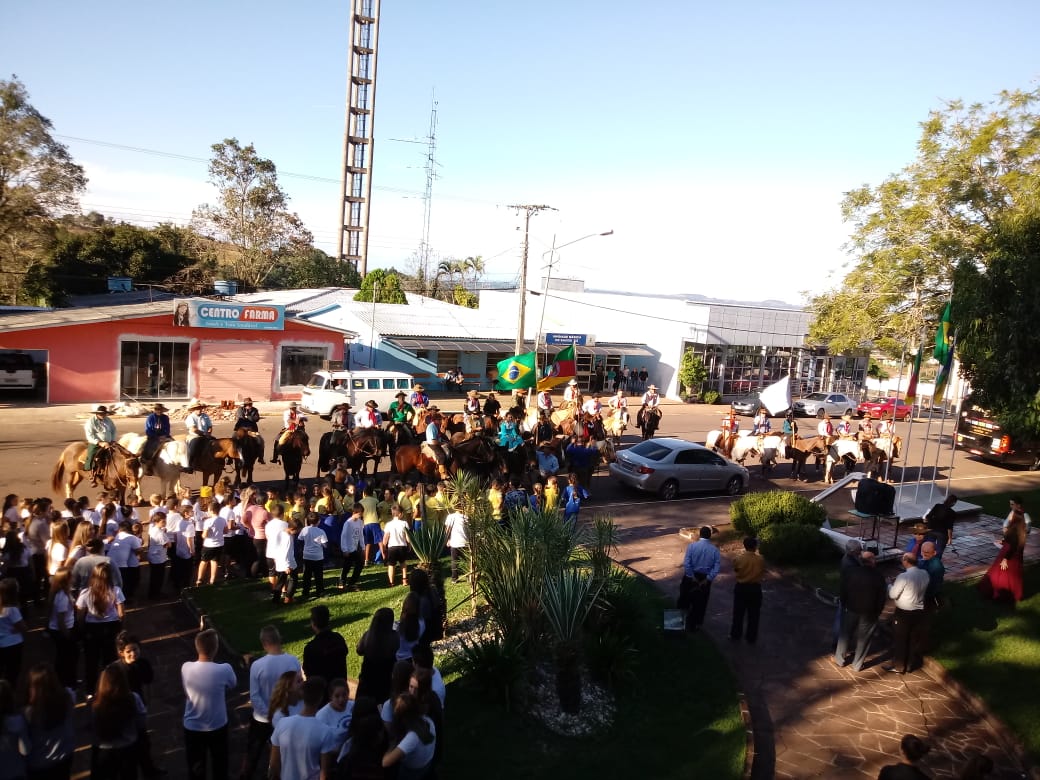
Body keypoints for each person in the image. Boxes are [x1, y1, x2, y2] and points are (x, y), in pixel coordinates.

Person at [241, 625, 301, 780]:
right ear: (279, 640)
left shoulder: (257, 665)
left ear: (264, 643)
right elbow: (298, 689)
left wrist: (270, 714)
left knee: (253, 755)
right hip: (287, 717)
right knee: (285, 756)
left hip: (262, 718)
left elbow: (254, 696)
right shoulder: (293, 661)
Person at [181, 628, 237, 780]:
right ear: (216, 648)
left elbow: (186, 691)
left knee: (196, 768)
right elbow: (233, 684)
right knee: (220, 765)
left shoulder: (185, 667)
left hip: (192, 726)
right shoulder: (225, 669)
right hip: (218, 724)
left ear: (197, 647)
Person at [269, 677, 339, 780]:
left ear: (303, 695)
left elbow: (274, 764)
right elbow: (324, 774)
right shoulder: (325, 732)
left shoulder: (282, 723)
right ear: (320, 698)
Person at [76, 561, 126, 695]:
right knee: (109, 659)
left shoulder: (85, 593)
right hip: (111, 627)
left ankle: (91, 691)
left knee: (91, 660)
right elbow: (121, 613)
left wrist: (82, 628)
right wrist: (120, 625)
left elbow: (80, 614)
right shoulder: (116, 591)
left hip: (92, 629)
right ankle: (110, 687)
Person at [833, 550, 887, 671]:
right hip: (870, 612)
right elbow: (882, 597)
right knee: (864, 638)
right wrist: (878, 611)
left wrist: (845, 603)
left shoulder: (851, 572)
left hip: (851, 608)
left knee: (845, 634)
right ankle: (857, 664)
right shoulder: (878, 576)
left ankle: (839, 659)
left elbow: (843, 590)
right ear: (872, 561)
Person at [90, 664, 145, 779]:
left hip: (103, 750)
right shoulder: (133, 698)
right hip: (128, 748)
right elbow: (141, 722)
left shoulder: (95, 703)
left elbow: (90, 725)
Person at [24, 663, 77, 779]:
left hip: (40, 764)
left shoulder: (29, 713)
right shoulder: (69, 697)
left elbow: (25, 745)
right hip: (64, 757)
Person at [885, 552, 929, 674]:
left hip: (903, 612)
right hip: (918, 611)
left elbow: (893, 594)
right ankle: (909, 664)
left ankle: (899, 666)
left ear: (906, 561)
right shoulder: (925, 574)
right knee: (912, 639)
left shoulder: (903, 577)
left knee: (900, 639)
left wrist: (889, 585)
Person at [978, 507, 1027, 602]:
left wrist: (1005, 559)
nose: (1010, 516)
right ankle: (1012, 593)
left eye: (1012, 515)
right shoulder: (1020, 528)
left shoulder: (1013, 530)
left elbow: (1013, 546)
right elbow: (1014, 541)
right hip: (1013, 554)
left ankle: (999, 594)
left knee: (1001, 575)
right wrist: (1004, 541)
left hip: (1008, 554)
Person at [382, 692, 436, 778]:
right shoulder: (427, 720)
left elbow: (385, 762)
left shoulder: (412, 738)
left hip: (412, 771)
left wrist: (392, 744)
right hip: (427, 763)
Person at [679, 526, 720, 632]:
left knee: (684, 599)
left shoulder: (692, 546)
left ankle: (678, 624)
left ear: (700, 535)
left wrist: (691, 576)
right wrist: (709, 578)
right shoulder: (714, 550)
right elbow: (716, 567)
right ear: (710, 536)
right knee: (700, 604)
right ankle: (695, 625)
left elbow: (687, 563)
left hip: (690, 577)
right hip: (705, 578)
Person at [356, 608, 399, 702]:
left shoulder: (368, 636)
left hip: (368, 676)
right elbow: (396, 649)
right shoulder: (394, 637)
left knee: (363, 702)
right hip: (386, 676)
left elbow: (359, 651)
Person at [729, 536, 764, 643]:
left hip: (741, 588)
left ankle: (735, 635)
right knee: (754, 615)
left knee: (738, 613)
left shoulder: (738, 559)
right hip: (755, 589)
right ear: (754, 546)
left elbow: (736, 569)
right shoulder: (760, 559)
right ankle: (751, 637)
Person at [303, 605, 348, 686]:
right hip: (339, 689)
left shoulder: (310, 648)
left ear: (313, 624)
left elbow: (308, 672)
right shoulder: (338, 639)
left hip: (321, 693)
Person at [0, 579, 26, 687]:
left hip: (1, 644)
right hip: (13, 644)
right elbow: (23, 627)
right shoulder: (12, 610)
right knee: (12, 672)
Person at [84, 404, 117, 485]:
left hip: (109, 443)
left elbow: (113, 430)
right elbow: (90, 435)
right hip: (96, 443)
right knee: (92, 455)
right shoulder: (90, 422)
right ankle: (92, 475)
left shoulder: (108, 420)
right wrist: (100, 443)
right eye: (101, 413)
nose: (103, 415)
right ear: (97, 414)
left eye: (104, 413)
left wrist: (112, 440)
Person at [298, 513, 328, 600]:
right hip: (318, 557)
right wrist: (319, 542)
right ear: (318, 521)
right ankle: (320, 591)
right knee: (318, 575)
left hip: (307, 556)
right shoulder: (321, 531)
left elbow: (299, 540)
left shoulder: (304, 530)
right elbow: (325, 545)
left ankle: (305, 592)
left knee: (307, 575)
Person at [383, 505, 411, 587]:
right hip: (402, 546)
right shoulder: (404, 523)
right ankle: (404, 580)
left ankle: (391, 582)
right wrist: (409, 544)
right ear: (400, 514)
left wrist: (384, 546)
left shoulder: (388, 524)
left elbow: (386, 537)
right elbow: (407, 536)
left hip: (392, 547)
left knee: (391, 565)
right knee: (403, 563)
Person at [339, 504, 365, 591]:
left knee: (360, 564)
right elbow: (343, 536)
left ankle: (352, 583)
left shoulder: (360, 522)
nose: (361, 515)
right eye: (360, 513)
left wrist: (363, 547)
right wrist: (344, 549)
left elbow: (361, 536)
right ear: (354, 512)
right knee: (347, 566)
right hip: (348, 549)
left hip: (355, 548)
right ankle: (342, 581)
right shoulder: (348, 523)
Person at [183, 399, 213, 474]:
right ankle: (189, 466)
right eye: (197, 408)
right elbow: (193, 429)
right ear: (194, 409)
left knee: (217, 443)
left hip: (206, 435)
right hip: (195, 436)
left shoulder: (205, 416)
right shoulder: (190, 417)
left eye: (200, 408)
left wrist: (209, 432)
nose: (199, 410)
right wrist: (204, 434)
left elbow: (210, 426)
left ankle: (216, 462)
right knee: (193, 447)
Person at [142, 403, 171, 476]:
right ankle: (149, 465)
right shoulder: (150, 418)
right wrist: (157, 437)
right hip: (153, 436)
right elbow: (148, 430)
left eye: (160, 409)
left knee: (174, 444)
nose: (159, 411)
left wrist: (164, 436)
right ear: (154, 410)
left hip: (164, 436)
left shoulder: (165, 417)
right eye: (157, 409)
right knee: (150, 449)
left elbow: (167, 428)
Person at [421, 408, 450, 476]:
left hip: (437, 441)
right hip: (432, 444)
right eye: (439, 420)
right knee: (442, 456)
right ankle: (442, 473)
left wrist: (446, 441)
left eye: (441, 420)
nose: (441, 421)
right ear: (435, 420)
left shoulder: (437, 425)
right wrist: (442, 443)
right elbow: (433, 441)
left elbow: (439, 436)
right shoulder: (432, 427)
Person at [444, 505, 468, 583]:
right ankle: (468, 575)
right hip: (465, 542)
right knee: (466, 560)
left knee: (454, 561)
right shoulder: (466, 517)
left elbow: (447, 529)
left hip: (454, 542)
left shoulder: (450, 517)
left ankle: (454, 578)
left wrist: (447, 540)